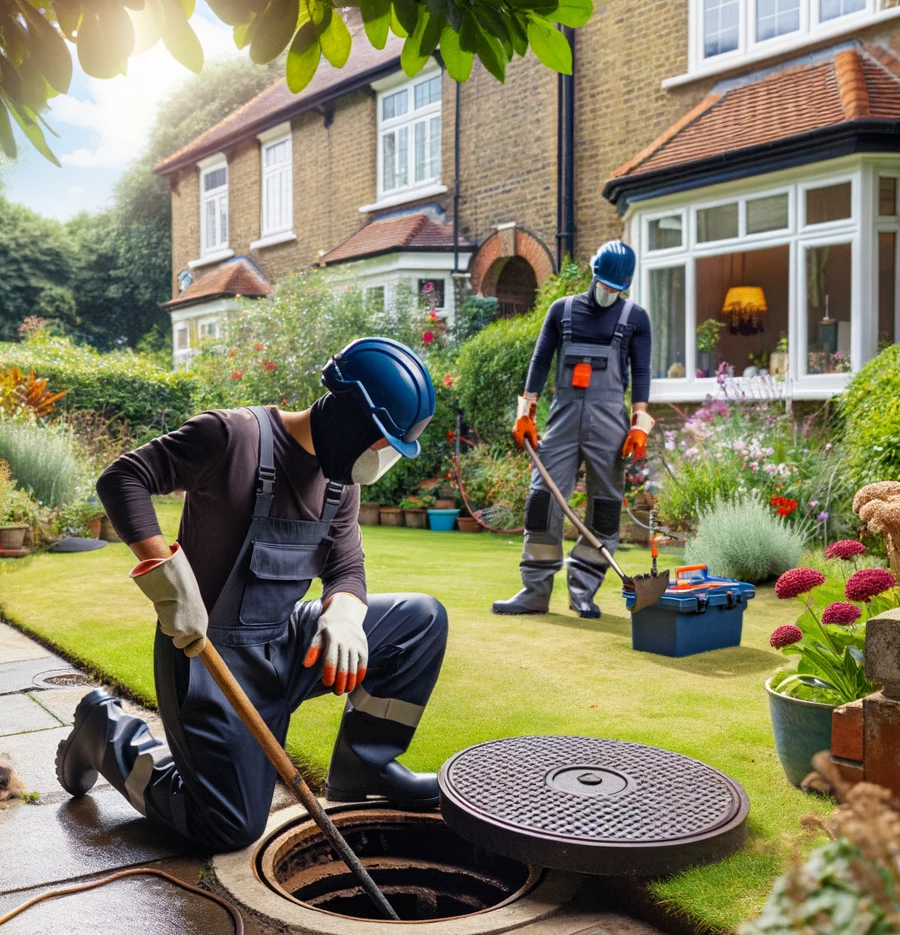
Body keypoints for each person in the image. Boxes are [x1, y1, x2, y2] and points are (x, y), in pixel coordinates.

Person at [55, 338, 447, 852]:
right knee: (227, 826)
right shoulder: (233, 436)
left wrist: (345, 615)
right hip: (206, 657)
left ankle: (364, 770)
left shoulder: (339, 483)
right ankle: (105, 733)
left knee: (421, 619)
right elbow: (124, 478)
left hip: (284, 645)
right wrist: (167, 576)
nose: (381, 459)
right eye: (382, 443)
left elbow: (347, 566)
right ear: (353, 417)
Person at [493, 241, 653, 619]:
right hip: (562, 422)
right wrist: (525, 411)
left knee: (605, 508)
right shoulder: (561, 310)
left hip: (610, 425)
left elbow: (642, 373)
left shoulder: (636, 317)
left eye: (616, 288)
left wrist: (639, 425)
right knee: (542, 500)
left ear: (624, 286)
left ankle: (583, 590)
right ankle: (535, 590)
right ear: (593, 274)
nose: (608, 292)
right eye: (604, 283)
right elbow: (541, 359)